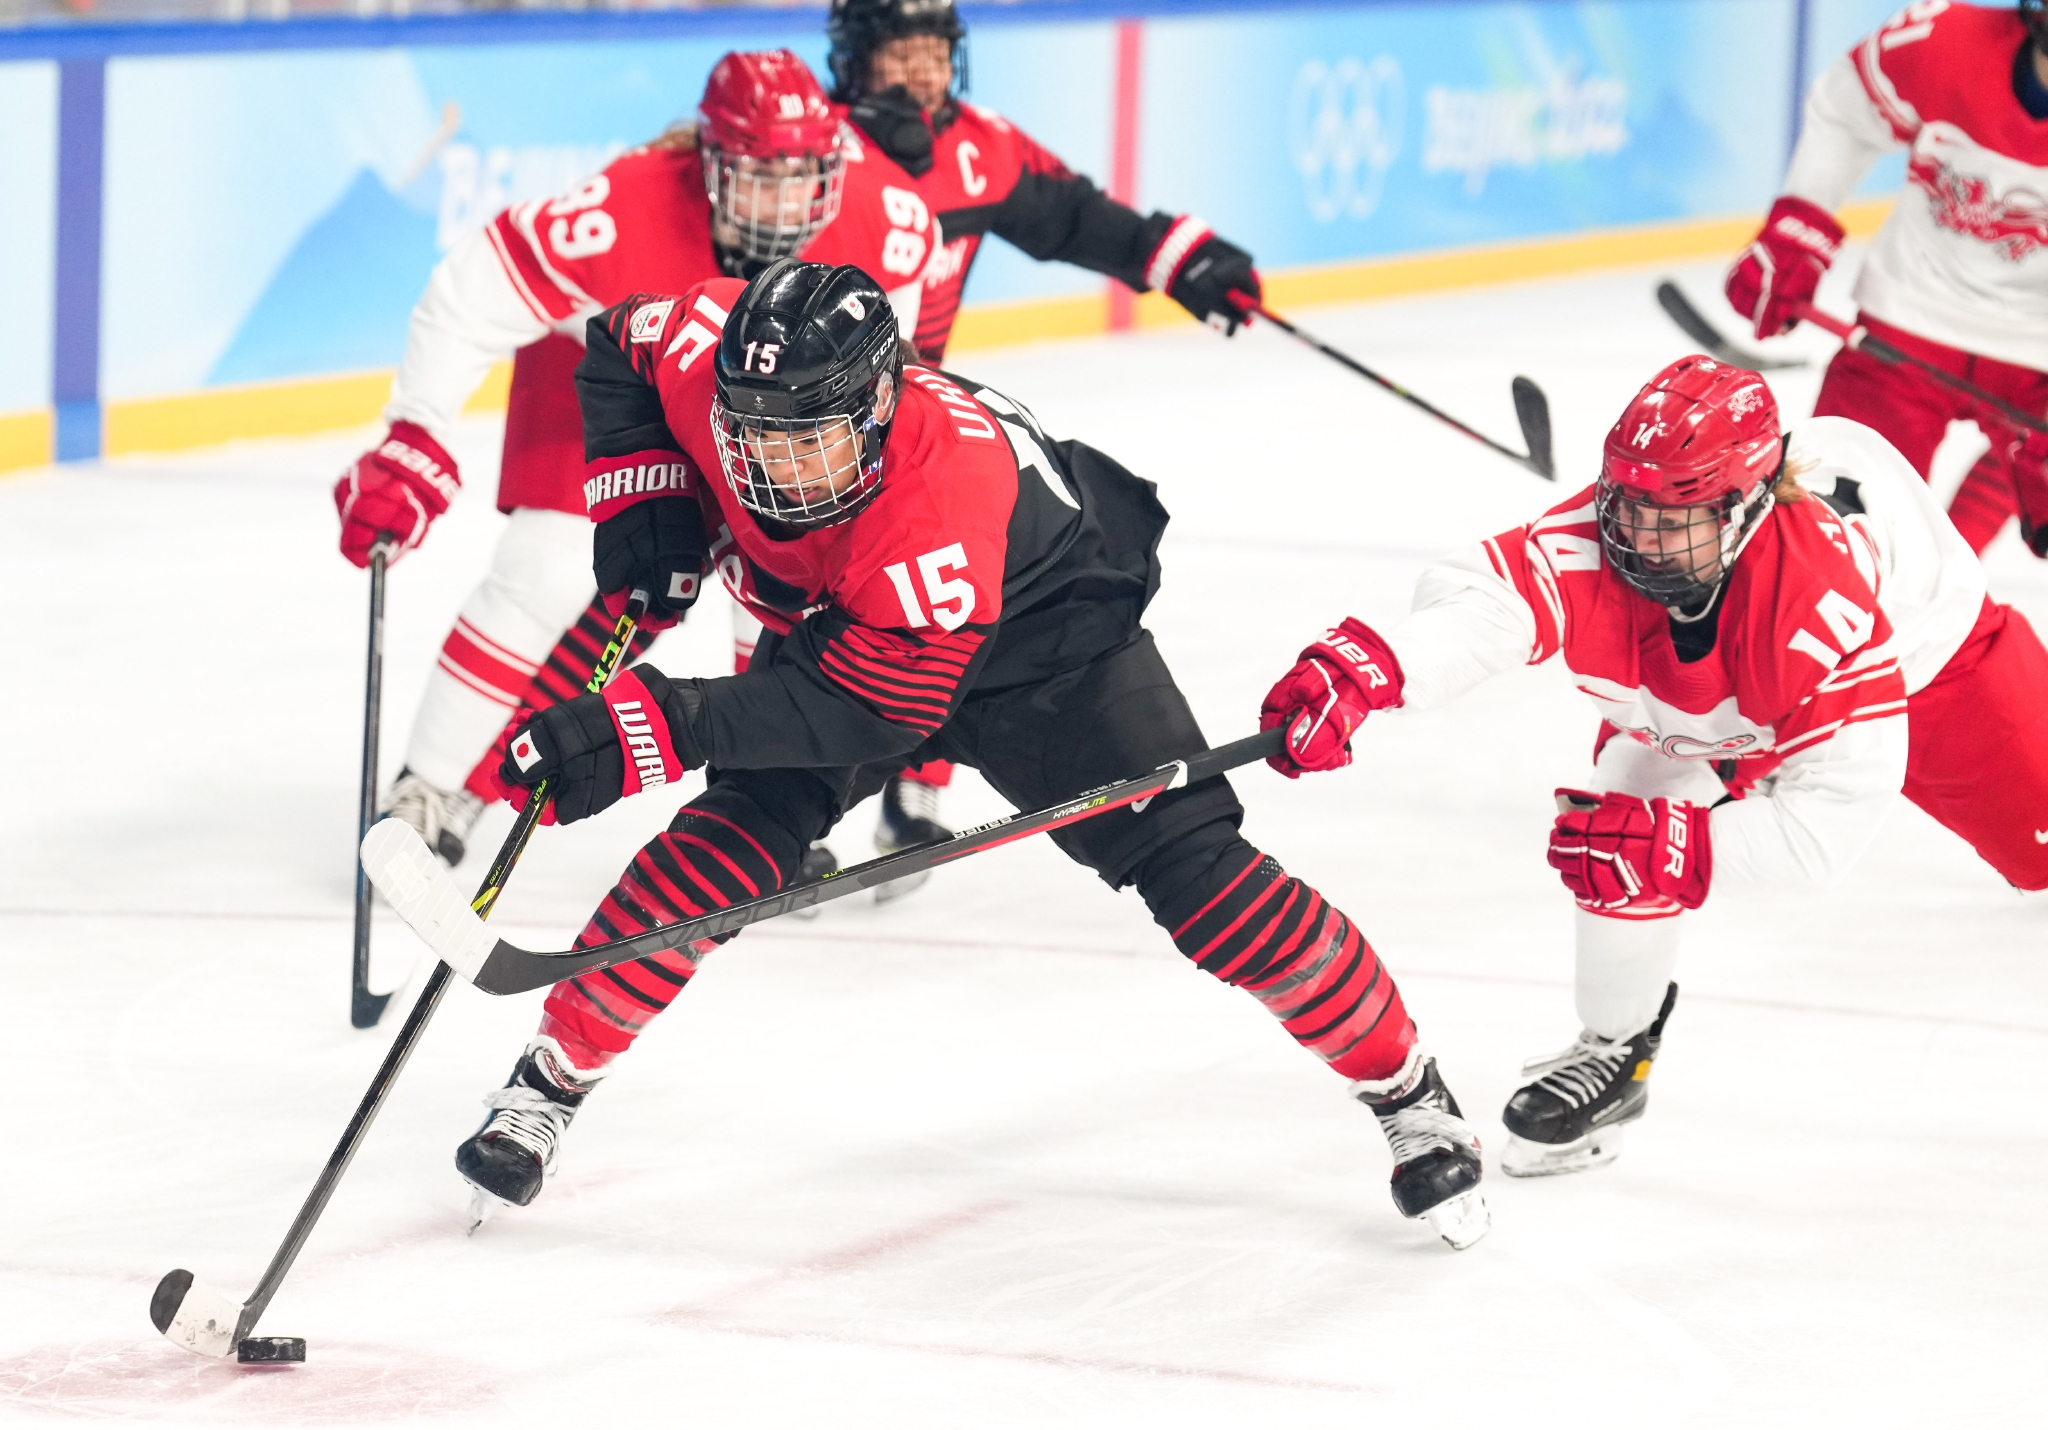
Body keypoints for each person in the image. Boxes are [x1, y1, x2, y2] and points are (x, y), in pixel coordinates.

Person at [450, 260, 1490, 1249]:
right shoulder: (702, 346)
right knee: (726, 842)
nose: (773, 470)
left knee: (1201, 879)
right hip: (854, 622)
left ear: (879, 403)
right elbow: (614, 348)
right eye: (750, 436)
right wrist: (647, 507)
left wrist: (650, 726)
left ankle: (1408, 1091)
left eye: (807, 441)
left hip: (1048, 645)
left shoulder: (937, 494)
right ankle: (547, 1083)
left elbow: (870, 712)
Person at [1261, 355, 2048, 1177]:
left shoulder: (1818, 604)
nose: (1638, 539)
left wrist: (1684, 851)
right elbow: (1492, 602)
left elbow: (1831, 821)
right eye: (1628, 507)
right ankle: (1615, 1051)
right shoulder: (1608, 534)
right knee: (1619, 823)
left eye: (1673, 521)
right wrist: (1373, 671)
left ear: (1745, 509)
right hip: (1724, 690)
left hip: (1933, 664)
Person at [332, 51, 944, 878]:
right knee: (544, 573)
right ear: (710, 162)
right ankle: (428, 786)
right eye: (761, 178)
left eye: (803, 179)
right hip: (613, 389)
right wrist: (417, 432)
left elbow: (888, 368)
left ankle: (761, 807)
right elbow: (476, 286)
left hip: (766, 421)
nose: (784, 205)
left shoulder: (884, 219)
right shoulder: (624, 211)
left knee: (786, 593)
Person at [749, 0, 1273, 857]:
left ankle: (915, 784)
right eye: (900, 53)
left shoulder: (979, 146)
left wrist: (1181, 257)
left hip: (915, 424)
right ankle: (774, 803)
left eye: (935, 52)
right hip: (799, 438)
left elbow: (1071, 215)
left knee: (956, 591)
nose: (922, 72)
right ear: (854, 59)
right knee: (795, 609)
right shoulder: (808, 153)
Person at [1725, 0, 2048, 555]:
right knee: (1832, 533)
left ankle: (1953, 565)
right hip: (1905, 328)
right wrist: (1798, 226)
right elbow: (1848, 107)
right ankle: (1942, 564)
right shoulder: (1944, 42)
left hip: (2036, 358)